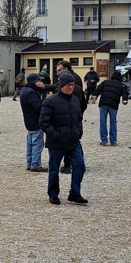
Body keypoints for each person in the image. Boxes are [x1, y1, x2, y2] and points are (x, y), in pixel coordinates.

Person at [39, 72, 87, 205]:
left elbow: (79, 118)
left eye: (73, 85)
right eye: (69, 85)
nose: (71, 88)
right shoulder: (50, 101)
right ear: (61, 86)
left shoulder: (75, 100)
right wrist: (56, 135)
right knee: (54, 169)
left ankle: (75, 193)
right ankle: (53, 194)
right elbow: (44, 122)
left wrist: (78, 132)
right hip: (56, 143)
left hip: (73, 141)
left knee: (80, 165)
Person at [93, 70, 129, 146]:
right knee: (113, 122)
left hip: (103, 103)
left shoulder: (105, 82)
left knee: (102, 122)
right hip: (113, 104)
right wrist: (124, 100)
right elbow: (125, 93)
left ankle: (104, 140)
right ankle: (113, 140)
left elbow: (98, 88)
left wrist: (94, 96)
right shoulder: (122, 85)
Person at [20, 73, 47, 172]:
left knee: (30, 143)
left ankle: (29, 163)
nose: (41, 82)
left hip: (29, 121)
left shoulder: (25, 90)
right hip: (35, 121)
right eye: (39, 80)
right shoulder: (31, 92)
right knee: (37, 143)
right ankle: (35, 164)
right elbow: (38, 107)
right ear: (35, 81)